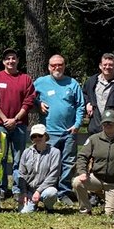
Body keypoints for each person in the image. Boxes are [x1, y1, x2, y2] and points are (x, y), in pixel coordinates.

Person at [32, 53, 83, 206]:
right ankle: (47, 191)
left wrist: (77, 124)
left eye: (60, 64)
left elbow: (80, 105)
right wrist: (38, 103)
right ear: (49, 67)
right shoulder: (40, 82)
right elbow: (29, 96)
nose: (57, 67)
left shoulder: (72, 83)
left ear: (64, 66)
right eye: (53, 65)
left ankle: (64, 192)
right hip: (48, 133)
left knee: (68, 162)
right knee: (48, 163)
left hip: (69, 131)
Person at [0, 48, 35, 196]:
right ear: (3, 61)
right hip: (0, 125)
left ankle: (17, 188)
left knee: (19, 159)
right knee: (0, 157)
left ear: (18, 60)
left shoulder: (25, 79)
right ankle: (1, 188)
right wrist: (5, 119)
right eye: (7, 58)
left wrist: (16, 119)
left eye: (13, 58)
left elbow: (29, 101)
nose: (10, 61)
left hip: (19, 125)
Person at [18, 125, 62, 213]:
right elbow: (21, 174)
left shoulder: (55, 152)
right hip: (29, 190)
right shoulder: (26, 152)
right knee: (24, 212)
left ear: (46, 136)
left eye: (40, 135)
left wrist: (38, 191)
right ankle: (32, 204)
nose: (37, 138)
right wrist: (24, 192)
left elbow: (54, 175)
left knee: (51, 193)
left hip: (46, 188)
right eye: (34, 136)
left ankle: (48, 207)